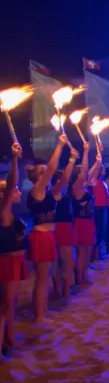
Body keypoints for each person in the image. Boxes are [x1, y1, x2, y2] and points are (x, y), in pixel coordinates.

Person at [25, 134, 68, 323]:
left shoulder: (46, 191)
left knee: (45, 276)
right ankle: (38, 315)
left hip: (48, 235)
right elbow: (51, 168)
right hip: (40, 236)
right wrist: (59, 145)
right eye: (43, 173)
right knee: (42, 278)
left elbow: (62, 178)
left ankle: (42, 311)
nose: (48, 175)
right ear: (38, 176)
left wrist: (72, 159)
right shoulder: (36, 189)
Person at [0, 143, 25, 358]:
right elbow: (11, 184)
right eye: (13, 190)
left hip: (15, 263)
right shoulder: (2, 211)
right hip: (5, 263)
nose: (18, 191)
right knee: (3, 307)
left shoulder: (10, 211)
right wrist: (15, 159)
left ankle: (9, 338)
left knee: (11, 303)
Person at [72, 143, 102, 285]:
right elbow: (86, 172)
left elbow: (92, 173)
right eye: (81, 173)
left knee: (87, 251)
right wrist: (85, 152)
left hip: (88, 221)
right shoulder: (76, 188)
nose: (85, 175)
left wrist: (98, 161)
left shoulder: (84, 186)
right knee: (82, 252)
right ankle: (80, 278)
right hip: (81, 222)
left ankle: (84, 276)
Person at [52, 148, 79, 300]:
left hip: (65, 227)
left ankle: (64, 288)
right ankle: (61, 289)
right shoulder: (54, 192)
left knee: (65, 262)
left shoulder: (64, 193)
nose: (67, 180)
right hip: (59, 228)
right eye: (63, 178)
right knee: (63, 261)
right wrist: (72, 160)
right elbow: (64, 180)